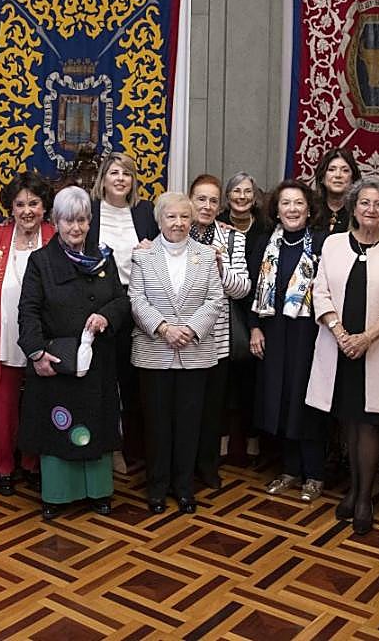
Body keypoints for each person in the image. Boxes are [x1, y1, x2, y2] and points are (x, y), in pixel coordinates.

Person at [305, 175, 379, 535]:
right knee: (348, 422)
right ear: (354, 208)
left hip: (378, 348)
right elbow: (319, 292)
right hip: (339, 347)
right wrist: (341, 335)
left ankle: (365, 497)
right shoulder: (334, 244)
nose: (371, 209)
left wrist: (367, 338)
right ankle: (353, 489)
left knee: (368, 423)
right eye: (365, 203)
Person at [18, 186, 131, 519]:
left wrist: (106, 316)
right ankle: (56, 495)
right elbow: (28, 311)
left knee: (95, 426)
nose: (76, 228)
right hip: (58, 363)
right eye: (68, 221)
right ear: (56, 221)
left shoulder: (103, 257)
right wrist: (37, 353)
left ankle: (98, 493)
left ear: (89, 220)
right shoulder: (41, 261)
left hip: (97, 364)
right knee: (60, 428)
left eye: (82, 220)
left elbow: (122, 301)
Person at [129, 192, 224, 514]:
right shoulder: (143, 256)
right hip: (154, 350)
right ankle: (156, 488)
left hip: (195, 352)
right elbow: (137, 300)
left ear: (192, 219)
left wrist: (191, 329)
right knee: (156, 425)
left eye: (184, 216)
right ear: (159, 220)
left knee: (188, 424)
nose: (178, 223)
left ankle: (184, 488)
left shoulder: (207, 256)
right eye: (171, 217)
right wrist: (164, 328)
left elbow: (215, 300)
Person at [248, 180, 329, 502]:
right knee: (281, 401)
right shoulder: (266, 244)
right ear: (276, 210)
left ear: (309, 210)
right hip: (275, 334)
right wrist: (254, 328)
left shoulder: (324, 243)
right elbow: (253, 291)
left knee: (307, 402)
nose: (292, 209)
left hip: (311, 336)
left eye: (298, 203)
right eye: (286, 204)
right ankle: (290, 469)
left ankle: (315, 474)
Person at [0, 171, 55, 495]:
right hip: (2, 334)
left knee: (39, 404)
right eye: (20, 203)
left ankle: (33, 465)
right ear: (10, 207)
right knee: (1, 407)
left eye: (34, 203)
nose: (27, 210)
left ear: (44, 207)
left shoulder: (55, 236)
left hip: (44, 338)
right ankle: (3, 467)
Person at [87, 152, 157, 468]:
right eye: (114, 172)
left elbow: (165, 252)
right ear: (103, 178)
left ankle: (134, 449)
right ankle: (106, 447)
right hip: (100, 304)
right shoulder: (91, 211)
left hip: (138, 303)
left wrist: (151, 252)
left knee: (133, 380)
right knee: (101, 377)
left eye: (126, 174)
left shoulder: (145, 212)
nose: (120, 179)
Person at [186, 173, 251, 488]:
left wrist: (222, 268)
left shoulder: (233, 238)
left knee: (213, 410)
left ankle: (208, 467)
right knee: (186, 407)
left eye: (214, 200)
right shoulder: (174, 232)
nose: (208, 206)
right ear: (190, 200)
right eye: (201, 198)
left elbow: (242, 289)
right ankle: (183, 466)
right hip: (182, 339)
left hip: (218, 340)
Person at [218, 171, 270, 463]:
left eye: (247, 191)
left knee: (252, 381)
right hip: (224, 308)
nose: (242, 197)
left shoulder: (265, 229)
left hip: (257, 310)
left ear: (255, 197)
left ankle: (252, 442)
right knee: (224, 382)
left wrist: (256, 323)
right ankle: (222, 443)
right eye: (236, 191)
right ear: (228, 197)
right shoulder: (219, 226)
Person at [312, 149, 362, 236]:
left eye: (345, 170)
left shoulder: (361, 211)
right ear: (322, 177)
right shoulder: (310, 208)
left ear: (353, 178)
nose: (338, 175)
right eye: (331, 170)